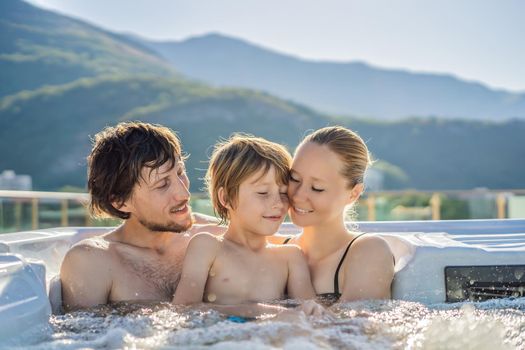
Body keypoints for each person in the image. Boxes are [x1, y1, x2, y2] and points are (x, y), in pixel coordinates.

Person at [60, 122, 218, 312]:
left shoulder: (216, 235)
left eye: (180, 173)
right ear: (119, 201)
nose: (184, 194)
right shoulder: (94, 261)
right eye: (162, 185)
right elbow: (82, 337)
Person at [173, 135, 325, 316]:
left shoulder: (290, 258)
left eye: (284, 193)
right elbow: (182, 310)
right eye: (263, 192)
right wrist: (254, 310)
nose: (278, 203)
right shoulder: (207, 247)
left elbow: (315, 315)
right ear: (226, 198)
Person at [281, 126, 394, 303]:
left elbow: (354, 328)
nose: (297, 195)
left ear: (353, 194)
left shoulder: (369, 251)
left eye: (317, 188)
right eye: (294, 178)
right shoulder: (278, 247)